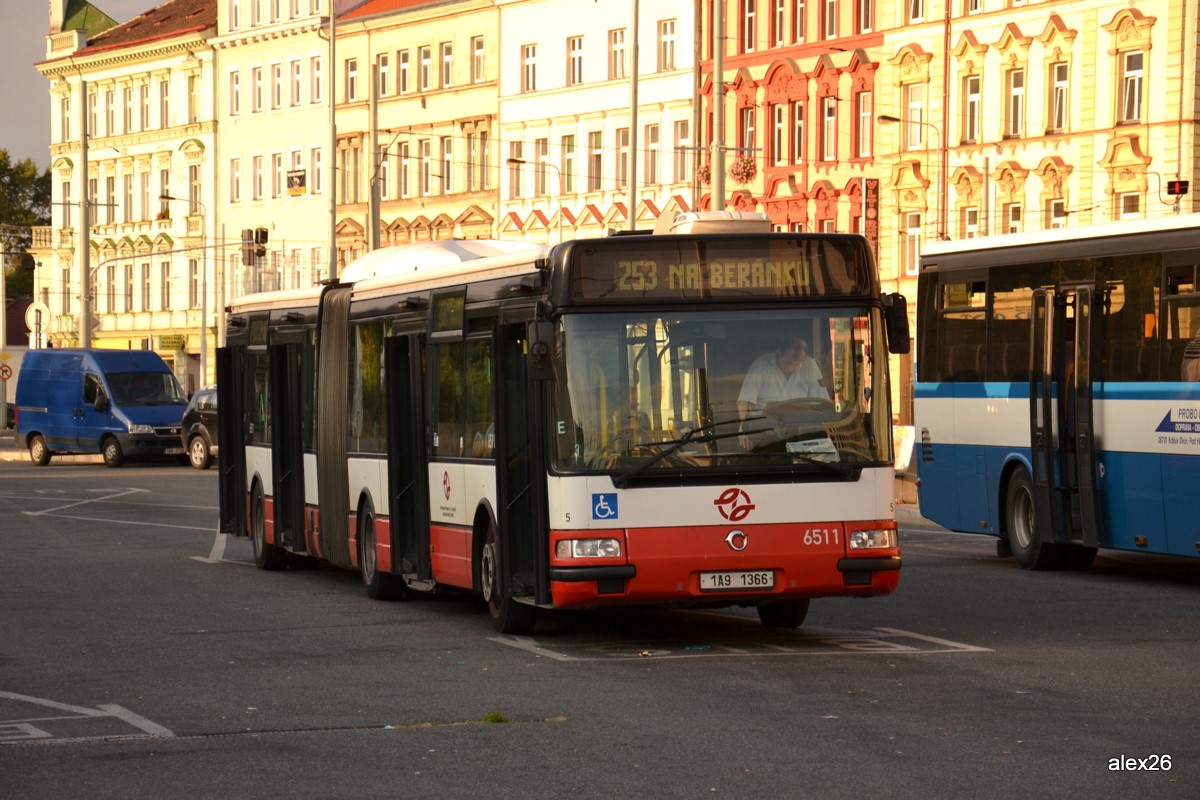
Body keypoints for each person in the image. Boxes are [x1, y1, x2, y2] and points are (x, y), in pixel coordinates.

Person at [737, 336, 826, 449]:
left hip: (800, 435)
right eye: (796, 349)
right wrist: (744, 432)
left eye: (804, 349)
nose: (801, 353)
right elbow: (744, 401)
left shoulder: (810, 365)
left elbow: (822, 404)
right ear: (780, 350)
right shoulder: (761, 365)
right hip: (764, 435)